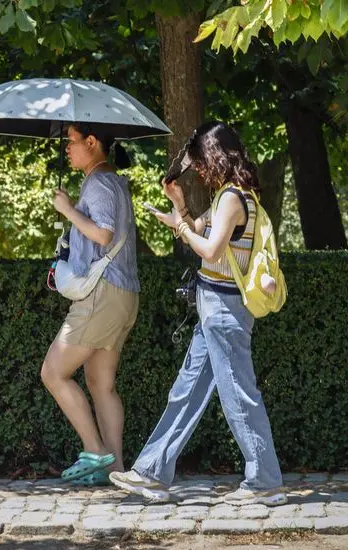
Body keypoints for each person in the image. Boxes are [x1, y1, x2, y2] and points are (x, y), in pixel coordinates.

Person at [109, 121, 286, 505]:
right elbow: (195, 228)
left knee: (239, 395)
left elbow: (211, 250)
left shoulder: (233, 200)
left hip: (224, 311)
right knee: (186, 391)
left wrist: (182, 230)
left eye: (202, 161)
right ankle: (151, 472)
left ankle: (266, 482)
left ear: (216, 156)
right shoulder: (230, 195)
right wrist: (179, 207)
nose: (200, 170)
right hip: (213, 310)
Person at [41, 122, 140, 486]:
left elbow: (102, 234)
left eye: (71, 141)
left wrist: (67, 209)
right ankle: (117, 472)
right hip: (124, 295)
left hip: (103, 295)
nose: (67, 148)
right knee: (101, 383)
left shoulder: (98, 183)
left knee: (53, 372)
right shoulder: (115, 182)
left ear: (92, 142)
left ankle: (96, 451)